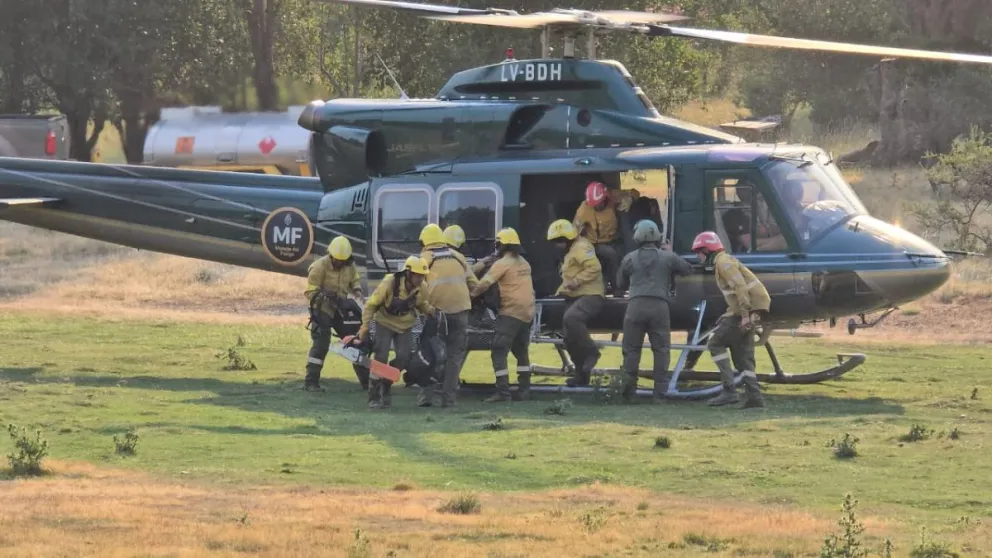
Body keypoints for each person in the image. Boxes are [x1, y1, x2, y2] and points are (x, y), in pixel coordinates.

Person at [690, 231, 771, 409]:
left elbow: (740, 287)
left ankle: (729, 391)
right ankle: (754, 397)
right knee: (743, 357)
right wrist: (729, 313)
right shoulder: (725, 261)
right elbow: (735, 295)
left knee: (715, 344)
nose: (697, 256)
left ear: (707, 250)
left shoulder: (723, 263)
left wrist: (744, 315)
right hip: (754, 309)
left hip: (747, 310)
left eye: (699, 252)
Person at [616, 220, 694, 402]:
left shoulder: (629, 258)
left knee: (631, 350)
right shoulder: (668, 257)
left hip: (635, 306)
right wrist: (671, 252)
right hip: (660, 307)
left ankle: (628, 393)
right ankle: (660, 394)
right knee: (661, 350)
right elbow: (688, 270)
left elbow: (620, 283)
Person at [356, 255, 435, 409]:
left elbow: (421, 304)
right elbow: (371, 304)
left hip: (405, 326)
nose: (420, 279)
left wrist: (431, 311)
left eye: (422, 276)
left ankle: (385, 385)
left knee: (404, 359)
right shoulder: (390, 282)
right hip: (384, 323)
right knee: (380, 358)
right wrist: (365, 326)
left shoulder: (423, 288)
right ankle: (374, 397)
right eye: (417, 275)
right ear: (408, 273)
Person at [469, 227, 535, 402]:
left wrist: (471, 295)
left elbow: (485, 283)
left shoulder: (502, 264)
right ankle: (524, 390)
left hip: (511, 312)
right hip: (528, 312)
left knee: (498, 349)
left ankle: (503, 393)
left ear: (501, 245)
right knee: (521, 351)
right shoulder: (524, 263)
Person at [419, 223, 479, 408]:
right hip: (461, 311)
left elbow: (416, 286)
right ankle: (449, 400)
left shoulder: (425, 258)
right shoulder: (458, 257)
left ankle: (426, 397)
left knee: (430, 354)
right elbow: (474, 285)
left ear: (425, 242)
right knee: (455, 356)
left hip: (436, 313)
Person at [302, 236, 365, 392]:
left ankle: (367, 382)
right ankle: (311, 383)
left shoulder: (349, 265)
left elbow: (354, 279)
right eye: (337, 260)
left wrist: (357, 290)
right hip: (322, 310)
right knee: (321, 344)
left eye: (343, 261)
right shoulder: (319, 266)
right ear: (330, 255)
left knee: (355, 342)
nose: (340, 263)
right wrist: (323, 296)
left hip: (341, 310)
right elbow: (310, 291)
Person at [547, 218, 605, 387]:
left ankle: (592, 353)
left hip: (591, 295)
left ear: (567, 238)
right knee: (569, 338)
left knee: (572, 318)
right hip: (574, 296)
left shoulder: (581, 247)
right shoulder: (571, 250)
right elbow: (569, 278)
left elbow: (594, 268)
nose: (556, 245)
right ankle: (582, 376)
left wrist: (577, 281)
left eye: (558, 241)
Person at [572, 180, 640, 295]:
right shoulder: (583, 209)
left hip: (614, 240)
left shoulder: (613, 196)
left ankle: (622, 285)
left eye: (599, 203)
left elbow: (635, 192)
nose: (596, 207)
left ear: (605, 198)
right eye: (593, 205)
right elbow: (574, 231)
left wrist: (630, 199)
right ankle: (614, 287)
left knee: (625, 254)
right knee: (610, 254)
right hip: (593, 244)